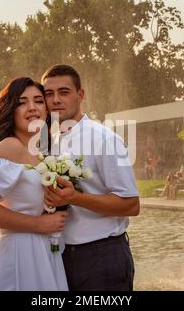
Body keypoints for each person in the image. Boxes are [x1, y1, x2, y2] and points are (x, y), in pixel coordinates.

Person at [41, 64, 140, 291]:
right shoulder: (52, 143)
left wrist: (75, 197)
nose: (56, 100)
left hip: (103, 257)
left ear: (80, 94)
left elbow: (132, 204)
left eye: (64, 92)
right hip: (64, 256)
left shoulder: (104, 139)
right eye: (49, 94)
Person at [0, 77, 68, 291]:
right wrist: (39, 224)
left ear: (47, 111)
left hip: (44, 252)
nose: (32, 108)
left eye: (39, 101)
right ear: (10, 110)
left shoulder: (42, 154)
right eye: (22, 102)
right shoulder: (9, 147)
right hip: (20, 253)